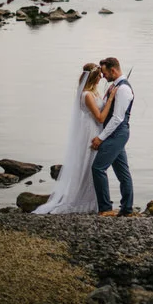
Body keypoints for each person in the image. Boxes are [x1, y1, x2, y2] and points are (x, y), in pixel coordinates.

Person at [33, 62, 112, 214]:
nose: (100, 78)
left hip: (96, 129)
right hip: (90, 131)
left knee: (93, 165)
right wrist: (110, 100)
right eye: (98, 76)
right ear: (93, 77)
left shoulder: (94, 92)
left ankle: (93, 200)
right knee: (88, 164)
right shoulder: (86, 95)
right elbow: (100, 117)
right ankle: (83, 200)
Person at [90, 56, 135, 217]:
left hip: (117, 133)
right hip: (115, 133)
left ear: (113, 70)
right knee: (122, 172)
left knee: (98, 168)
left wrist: (100, 138)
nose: (103, 76)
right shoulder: (114, 87)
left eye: (104, 73)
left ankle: (106, 208)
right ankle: (127, 209)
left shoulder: (123, 89)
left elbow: (117, 118)